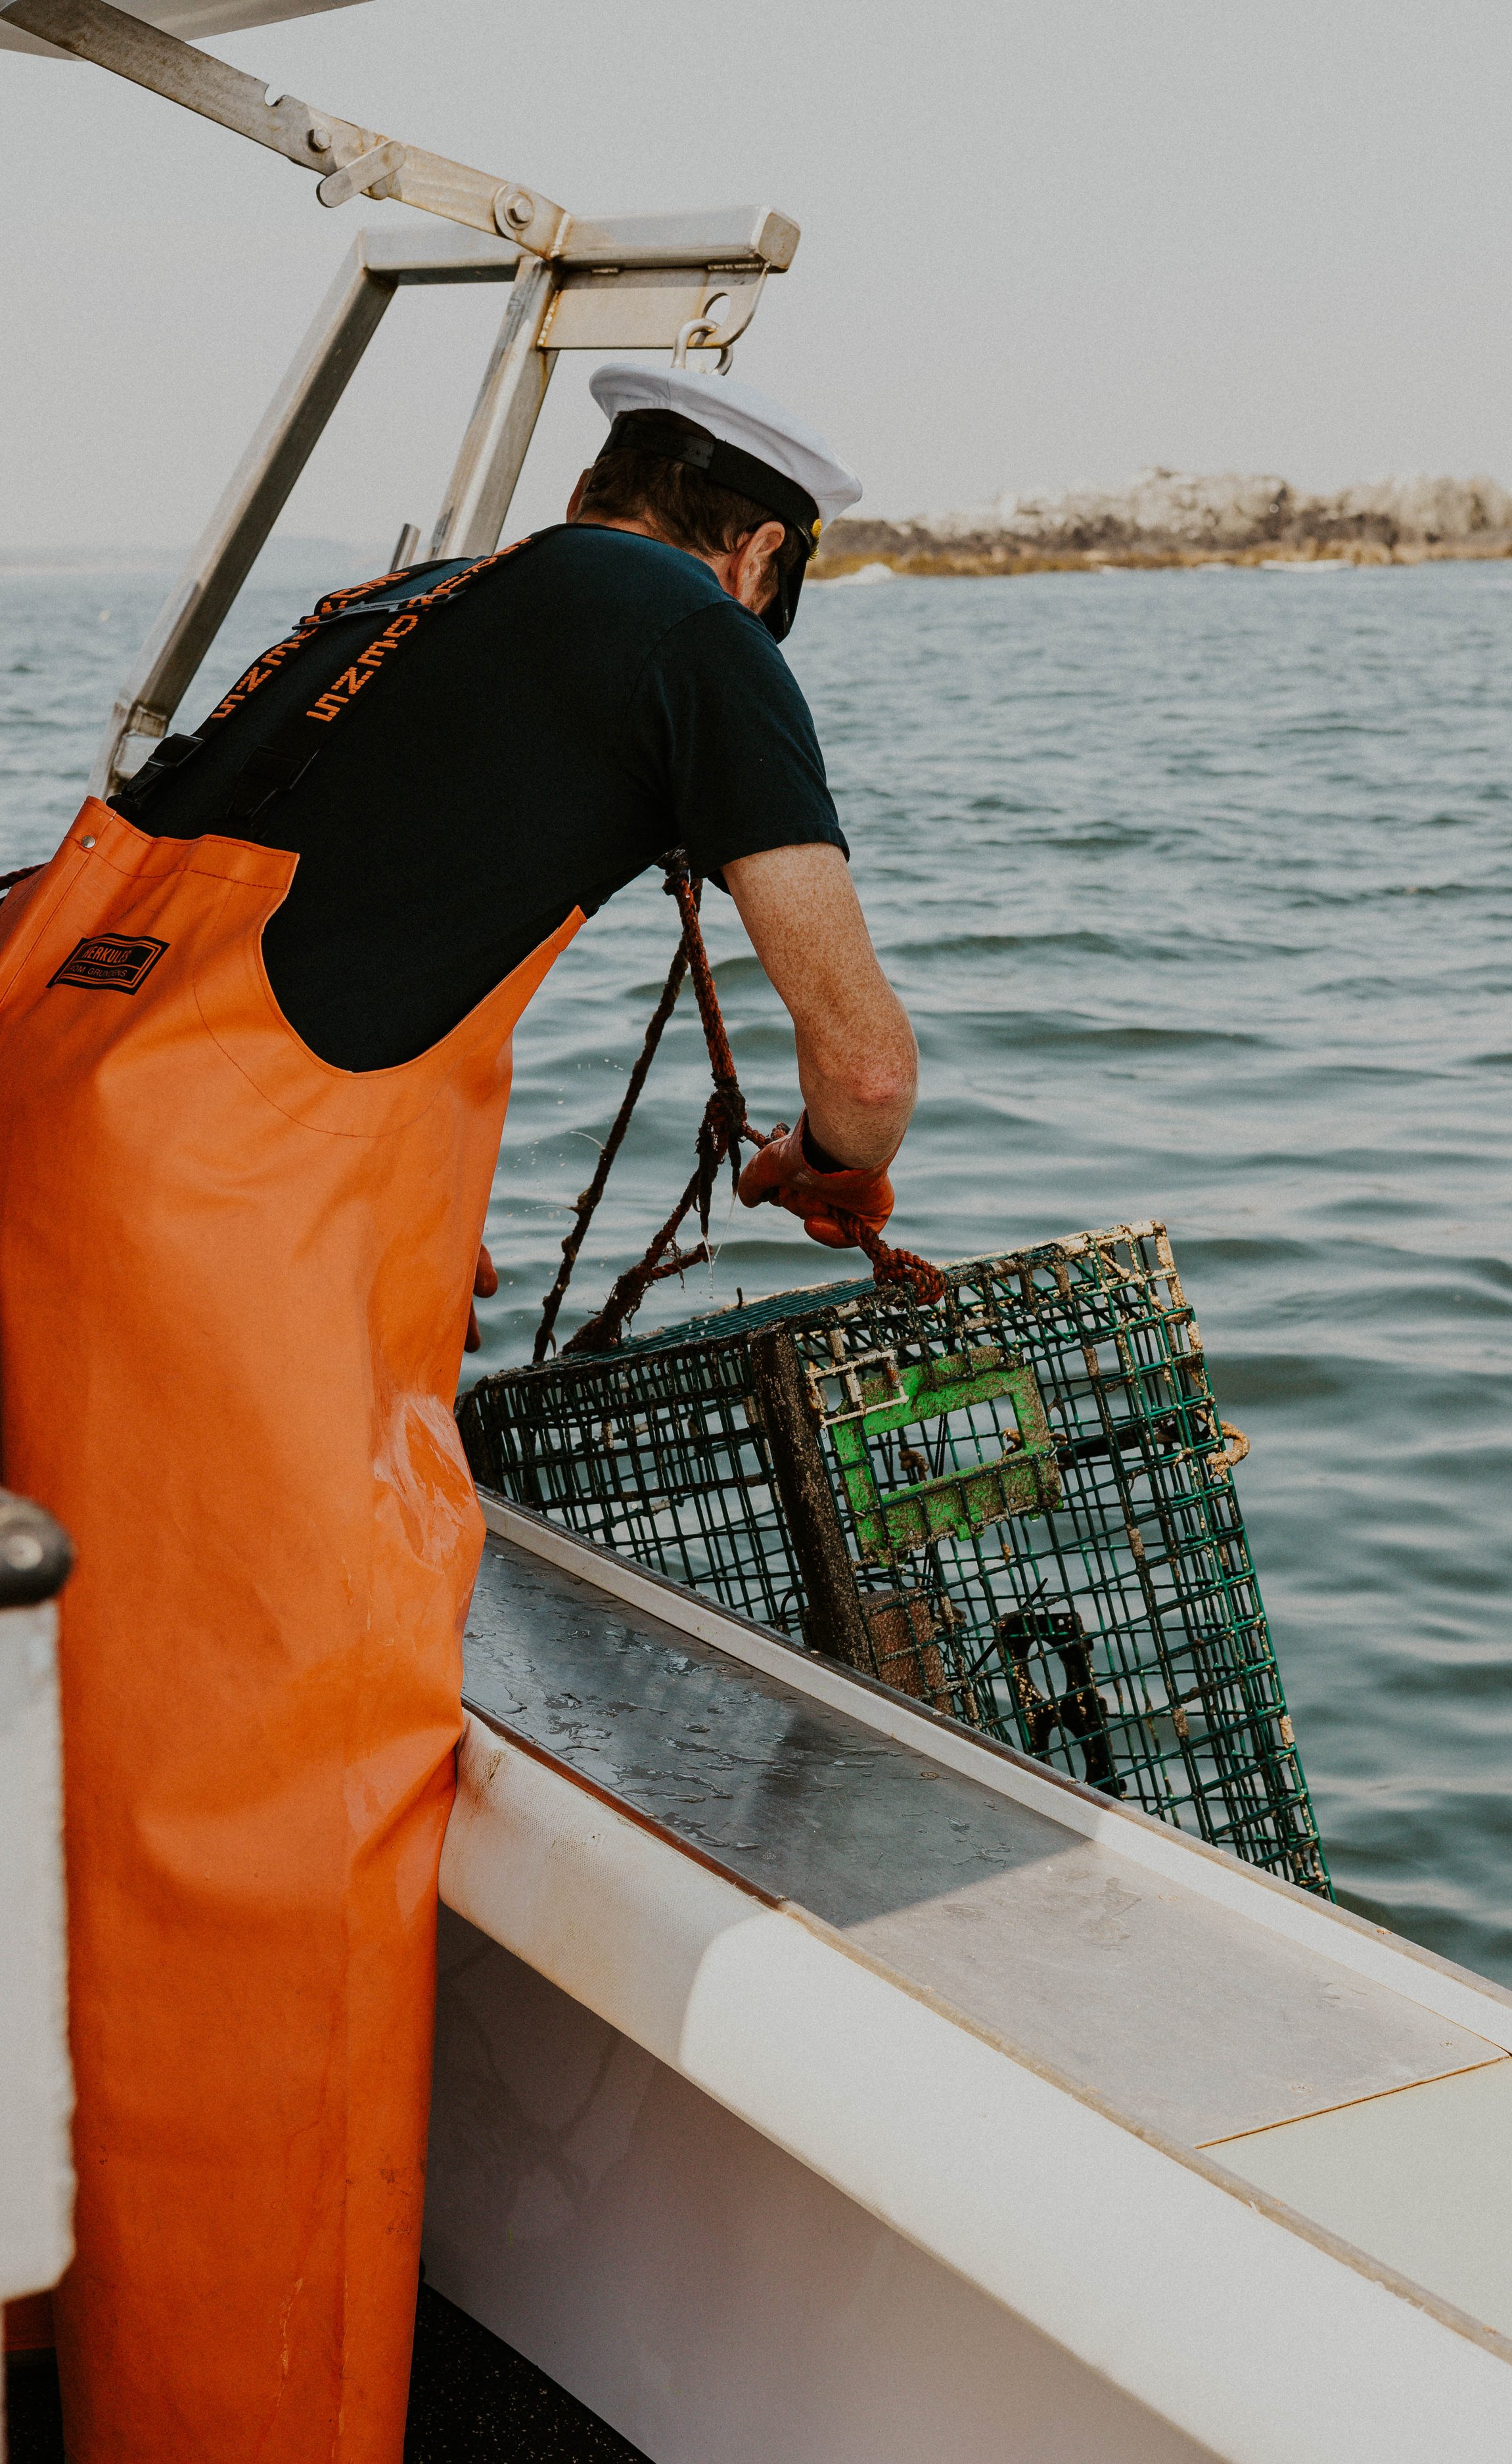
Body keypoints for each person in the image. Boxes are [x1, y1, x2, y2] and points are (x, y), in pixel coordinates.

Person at [0, 362, 917, 2463]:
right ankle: (235, 2419)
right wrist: (838, 1165)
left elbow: (243, 932)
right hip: (206, 1236)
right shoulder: (692, 632)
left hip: (45, 1146)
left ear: (598, 481)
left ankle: (46, 2320)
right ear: (760, 552)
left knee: (61, 1763)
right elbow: (859, 1060)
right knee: (266, 1819)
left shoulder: (387, 609)